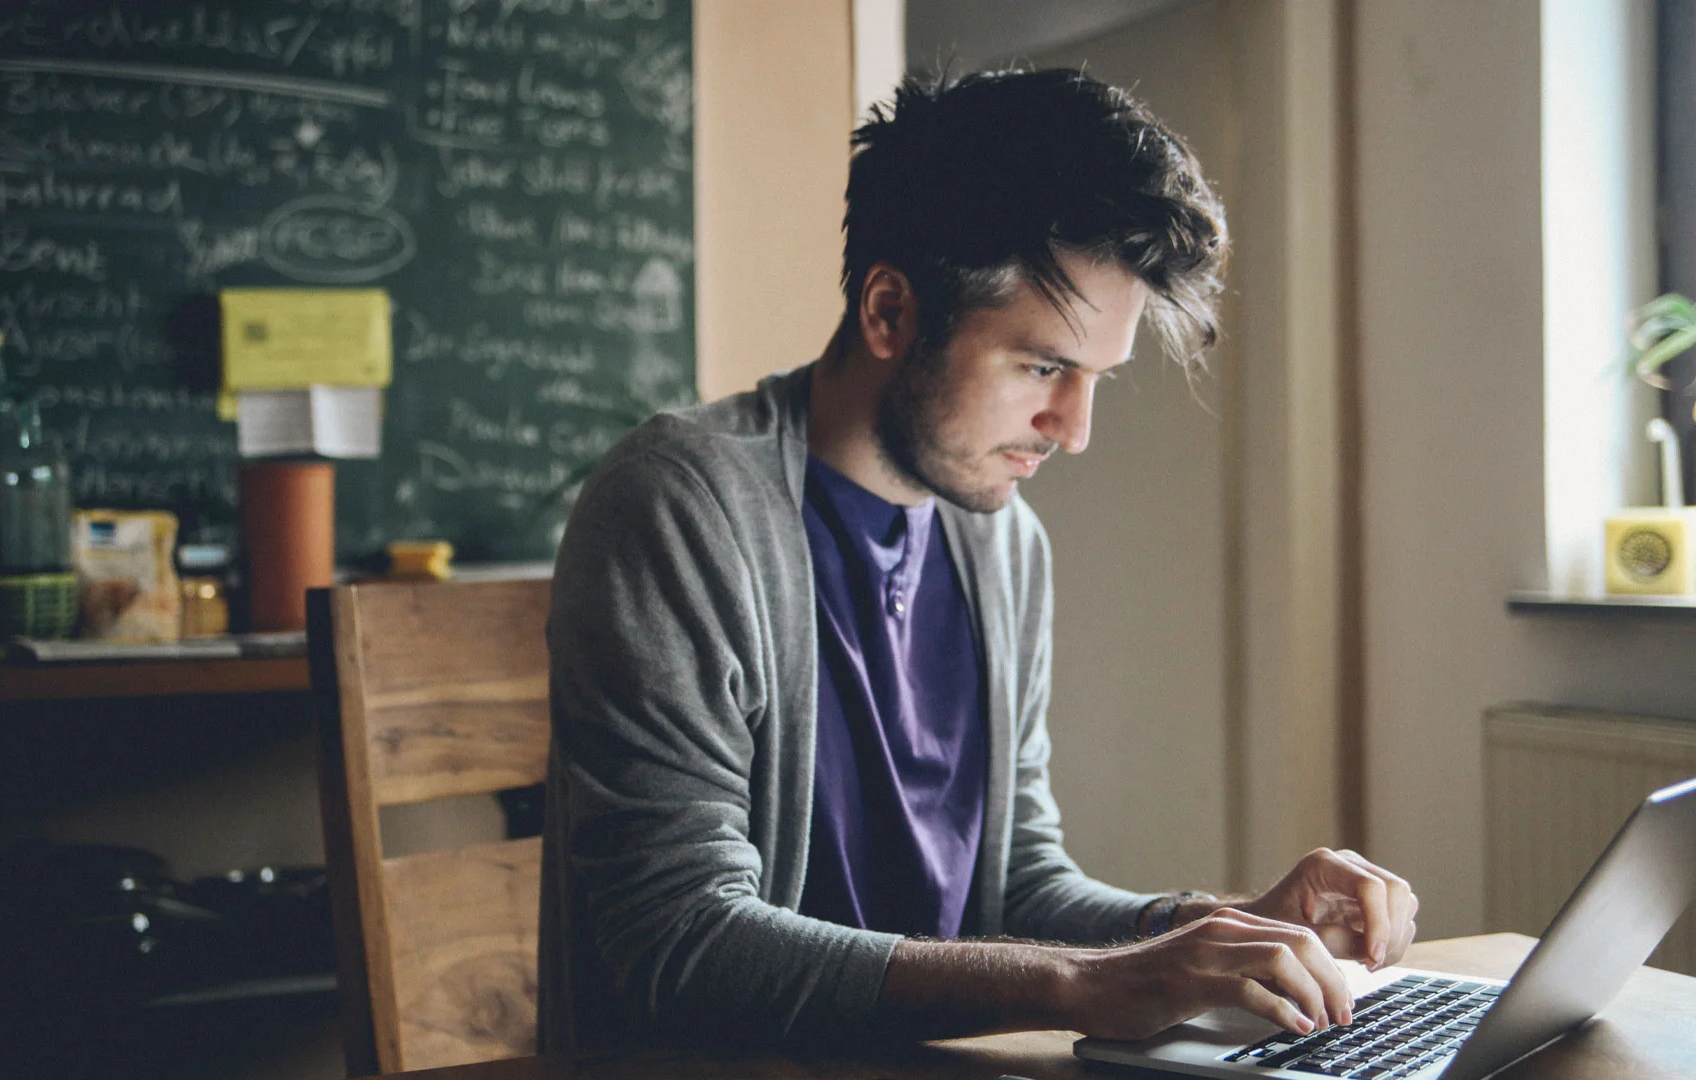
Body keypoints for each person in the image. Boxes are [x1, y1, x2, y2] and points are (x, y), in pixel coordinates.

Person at [538, 68, 1418, 1055]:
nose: (1072, 430)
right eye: (1043, 367)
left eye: (1095, 380)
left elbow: (1014, 885)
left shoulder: (1002, 543)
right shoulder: (681, 507)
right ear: (888, 312)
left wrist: (1218, 932)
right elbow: (678, 943)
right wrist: (1080, 984)